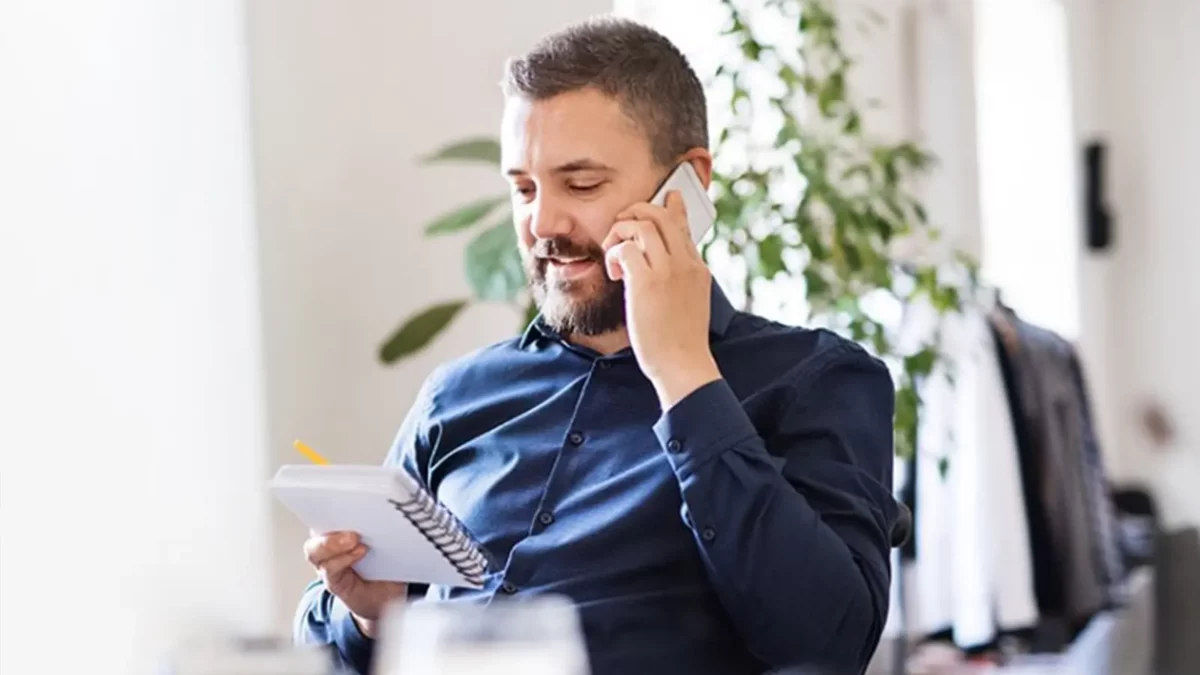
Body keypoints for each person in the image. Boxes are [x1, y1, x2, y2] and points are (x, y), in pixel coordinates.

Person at [295, 16, 899, 675]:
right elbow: (324, 649)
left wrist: (684, 374)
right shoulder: (457, 394)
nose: (542, 224)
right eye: (523, 189)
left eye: (581, 184)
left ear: (688, 185)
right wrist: (369, 617)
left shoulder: (817, 378)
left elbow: (829, 642)